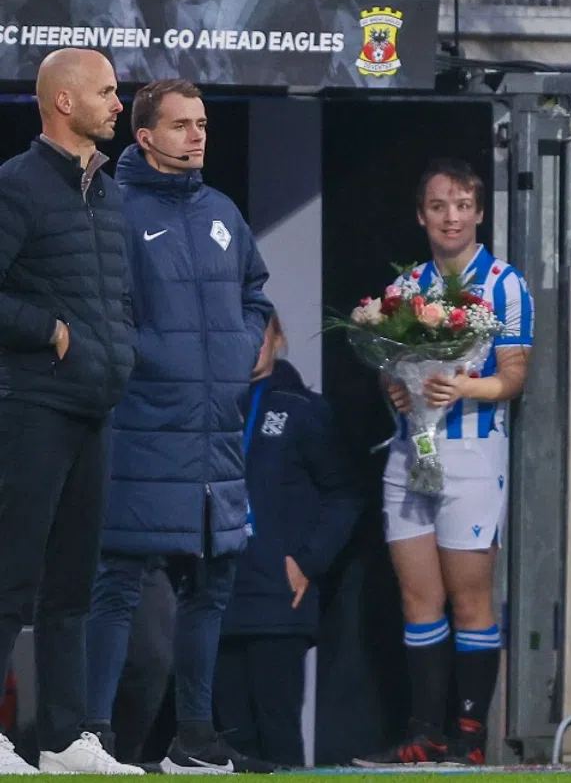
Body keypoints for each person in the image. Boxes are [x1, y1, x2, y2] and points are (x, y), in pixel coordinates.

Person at [85, 77, 275, 775]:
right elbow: (104, 308)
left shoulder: (222, 209)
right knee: (119, 580)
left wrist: (238, 352)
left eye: (201, 124)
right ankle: (92, 735)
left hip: (213, 433)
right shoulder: (115, 208)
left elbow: (256, 292)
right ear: (144, 136)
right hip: (143, 424)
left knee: (212, 584)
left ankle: (193, 736)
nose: (196, 135)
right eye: (180, 125)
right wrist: (151, 364)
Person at [356, 159, 534, 767]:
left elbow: (513, 378)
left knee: (470, 598)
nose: (451, 217)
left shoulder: (505, 283)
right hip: (410, 453)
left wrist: (463, 388)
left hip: (473, 455)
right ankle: (423, 730)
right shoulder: (406, 289)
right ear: (421, 215)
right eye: (438, 206)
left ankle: (470, 736)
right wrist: (397, 388)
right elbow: (390, 370)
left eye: (462, 205)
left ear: (479, 212)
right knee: (416, 598)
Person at [0, 48, 141, 775]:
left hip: (94, 406)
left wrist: (120, 347)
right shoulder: (18, 185)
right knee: (10, 576)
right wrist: (49, 332)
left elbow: (113, 296)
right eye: (109, 92)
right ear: (64, 102)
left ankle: (62, 740)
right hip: (32, 407)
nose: (120, 104)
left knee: (71, 585)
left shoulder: (109, 192)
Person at [215, 314, 362, 768]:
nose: (250, 344)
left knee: (277, 736)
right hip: (216, 597)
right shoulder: (211, 407)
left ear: (278, 338)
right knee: (228, 741)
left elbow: (345, 494)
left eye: (259, 334)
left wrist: (308, 561)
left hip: (278, 598)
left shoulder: (303, 409)